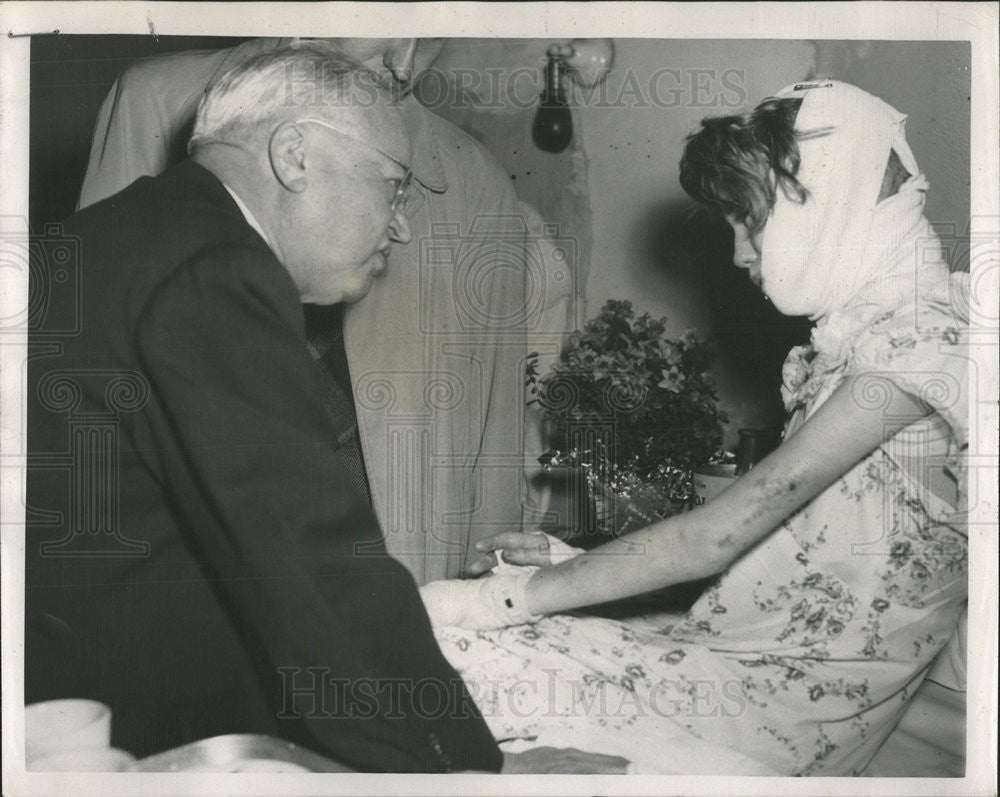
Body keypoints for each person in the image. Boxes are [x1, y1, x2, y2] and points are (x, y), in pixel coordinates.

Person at [26, 48, 626, 776]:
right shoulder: (214, 270)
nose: (401, 225)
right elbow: (318, 567)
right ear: (295, 156)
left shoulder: (124, 235)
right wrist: (472, 769)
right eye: (392, 185)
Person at [420, 81, 969, 775]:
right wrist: (571, 563)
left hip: (773, 717)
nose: (741, 253)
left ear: (828, 200)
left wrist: (499, 598)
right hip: (728, 665)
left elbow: (719, 536)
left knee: (446, 657)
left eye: (749, 221)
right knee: (426, 649)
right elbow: (780, 558)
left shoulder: (925, 350)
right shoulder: (878, 341)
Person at [77, 37, 529, 585]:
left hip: (387, 567)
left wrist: (493, 600)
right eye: (388, 15)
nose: (405, 63)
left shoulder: (474, 176)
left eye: (432, 35)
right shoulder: (154, 99)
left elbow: (495, 428)